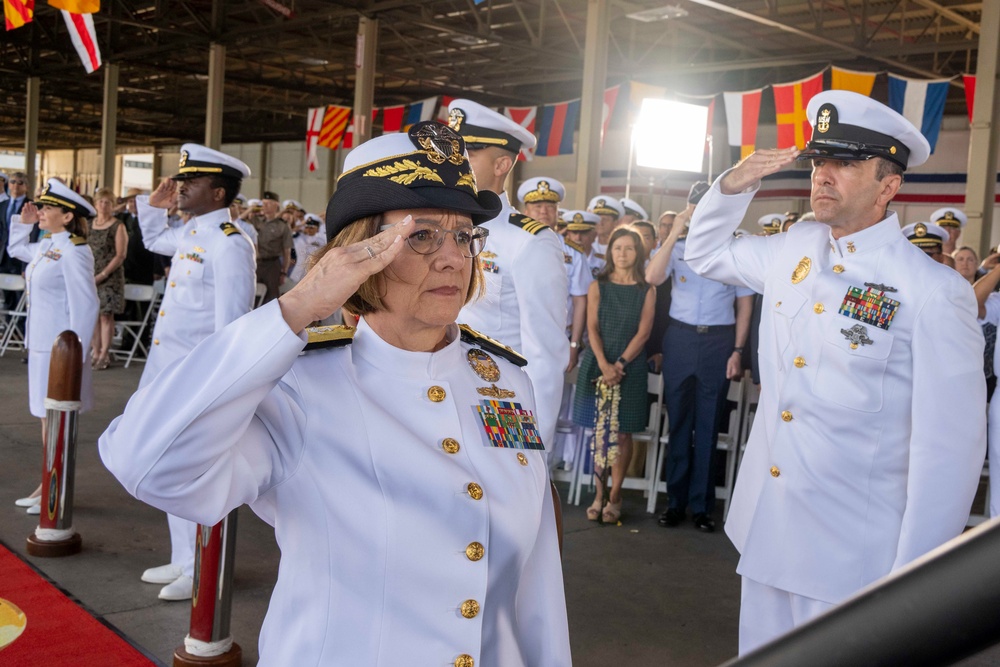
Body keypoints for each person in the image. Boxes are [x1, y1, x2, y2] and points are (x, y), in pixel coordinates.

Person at [99, 122, 571, 666]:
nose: (451, 257)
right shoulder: (298, 388)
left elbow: (536, 587)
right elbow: (146, 464)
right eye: (421, 235)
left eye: (464, 235)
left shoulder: (505, 381)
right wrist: (295, 309)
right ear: (359, 252)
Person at [683, 90, 986, 653]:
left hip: (857, 557)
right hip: (768, 533)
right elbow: (703, 254)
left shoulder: (933, 291)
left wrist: (914, 580)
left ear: (888, 185)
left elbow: (948, 452)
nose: (823, 175)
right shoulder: (792, 248)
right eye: (820, 161)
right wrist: (732, 185)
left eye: (845, 163)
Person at [131, 144, 257, 601]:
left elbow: (232, 324)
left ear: (218, 191)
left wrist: (221, 387)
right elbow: (151, 240)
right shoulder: (191, 233)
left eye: (192, 182)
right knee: (168, 464)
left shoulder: (228, 242)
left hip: (198, 381)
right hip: (169, 374)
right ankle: (183, 557)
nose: (181, 187)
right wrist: (152, 205)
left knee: (195, 472)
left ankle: (201, 565)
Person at [447, 99, 569, 455]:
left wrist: (530, 454)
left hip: (497, 402)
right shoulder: (438, 228)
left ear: (502, 164)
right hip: (438, 398)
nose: (452, 164)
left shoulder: (530, 242)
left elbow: (544, 357)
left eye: (466, 154)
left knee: (504, 507)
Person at [645, 185, 754, 533]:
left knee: (708, 425)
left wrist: (738, 351)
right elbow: (652, 276)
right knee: (678, 422)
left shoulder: (733, 248)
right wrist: (676, 227)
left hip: (718, 342)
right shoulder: (678, 247)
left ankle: (702, 506)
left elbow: (744, 306)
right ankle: (675, 502)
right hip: (680, 338)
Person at [8, 180, 99, 515]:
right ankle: (46, 484)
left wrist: (75, 355)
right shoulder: (48, 245)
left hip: (59, 350)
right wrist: (24, 224)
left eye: (47, 208)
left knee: (56, 421)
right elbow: (15, 250)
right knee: (46, 421)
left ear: (67, 215)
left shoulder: (75, 250)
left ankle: (56, 490)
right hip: (41, 346)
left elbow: (86, 306)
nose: (41, 211)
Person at [573, 226, 655, 523]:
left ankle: (615, 495)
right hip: (598, 364)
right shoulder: (598, 286)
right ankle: (598, 494)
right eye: (618, 248)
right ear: (610, 252)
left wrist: (619, 364)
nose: (623, 254)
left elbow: (644, 333)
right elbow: (591, 328)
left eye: (629, 248)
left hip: (629, 367)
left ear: (638, 253)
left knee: (621, 434)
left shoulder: (647, 290)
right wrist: (605, 365)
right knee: (599, 432)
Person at [89, 188, 128, 370]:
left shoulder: (117, 225)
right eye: (100, 202)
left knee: (106, 316)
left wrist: (103, 274)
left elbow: (120, 255)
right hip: (89, 275)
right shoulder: (89, 224)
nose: (103, 205)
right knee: (93, 315)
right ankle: (95, 351)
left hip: (110, 277)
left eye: (107, 202)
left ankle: (105, 353)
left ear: (112, 205)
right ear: (95, 204)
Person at [255, 191, 292, 304]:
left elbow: (287, 252)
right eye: (263, 203)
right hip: (256, 263)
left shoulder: (282, 226)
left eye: (269, 203)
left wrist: (283, 272)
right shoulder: (255, 221)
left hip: (272, 265)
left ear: (276, 205)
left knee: (271, 297)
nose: (264, 206)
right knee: (252, 294)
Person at [289, 214, 325, 283]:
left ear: (317, 229)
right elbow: (286, 234)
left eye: (311, 228)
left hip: (311, 275)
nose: (308, 229)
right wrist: (300, 226)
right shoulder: (299, 237)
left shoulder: (321, 241)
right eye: (306, 227)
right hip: (296, 274)